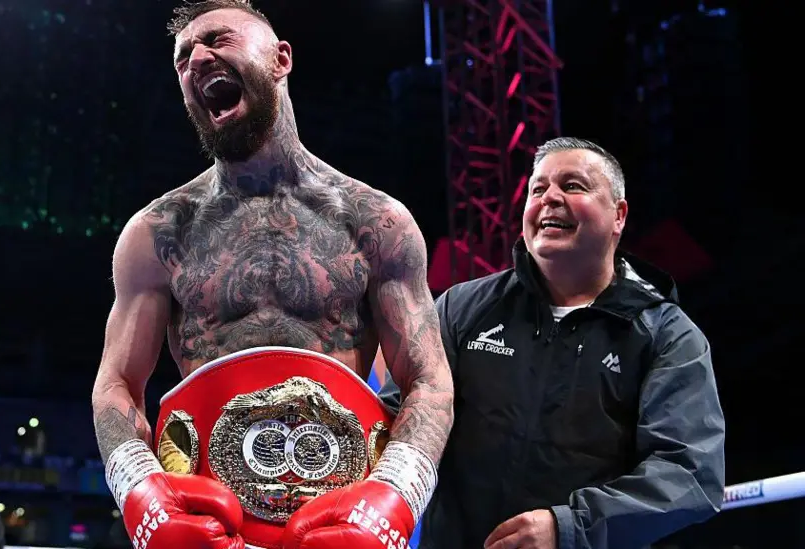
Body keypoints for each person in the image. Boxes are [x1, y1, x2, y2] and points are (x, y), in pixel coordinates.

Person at [90, 2, 454, 549]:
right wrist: (139, 490)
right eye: (183, 58)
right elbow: (116, 383)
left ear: (281, 59)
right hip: (205, 520)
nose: (196, 60)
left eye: (218, 40)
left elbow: (428, 379)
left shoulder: (376, 222)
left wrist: (395, 496)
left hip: (342, 519)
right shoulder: (160, 231)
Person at [379, 137, 726, 549]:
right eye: (538, 189)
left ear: (619, 215)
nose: (550, 198)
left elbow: (689, 472)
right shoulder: (462, 307)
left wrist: (571, 528)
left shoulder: (667, 336)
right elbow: (393, 415)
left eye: (573, 185)